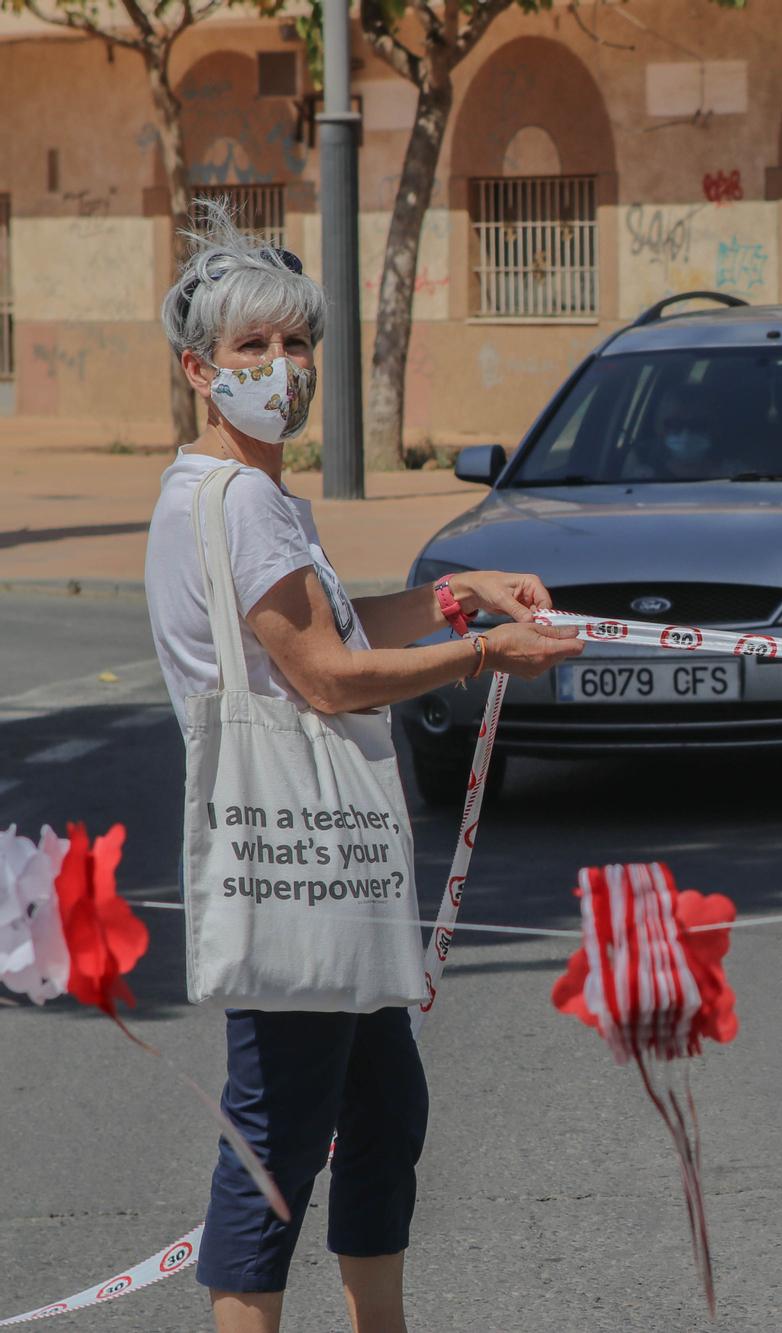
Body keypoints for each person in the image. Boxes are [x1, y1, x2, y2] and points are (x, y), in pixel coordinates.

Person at [144, 202, 583, 1333]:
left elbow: (334, 620)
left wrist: (456, 593)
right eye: (253, 348)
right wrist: (482, 650)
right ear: (200, 368)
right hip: (296, 855)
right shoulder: (236, 501)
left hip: (329, 857)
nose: (282, 370)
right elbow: (330, 677)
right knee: (278, 1137)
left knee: (382, 1108)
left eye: (297, 346)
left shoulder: (238, 495)